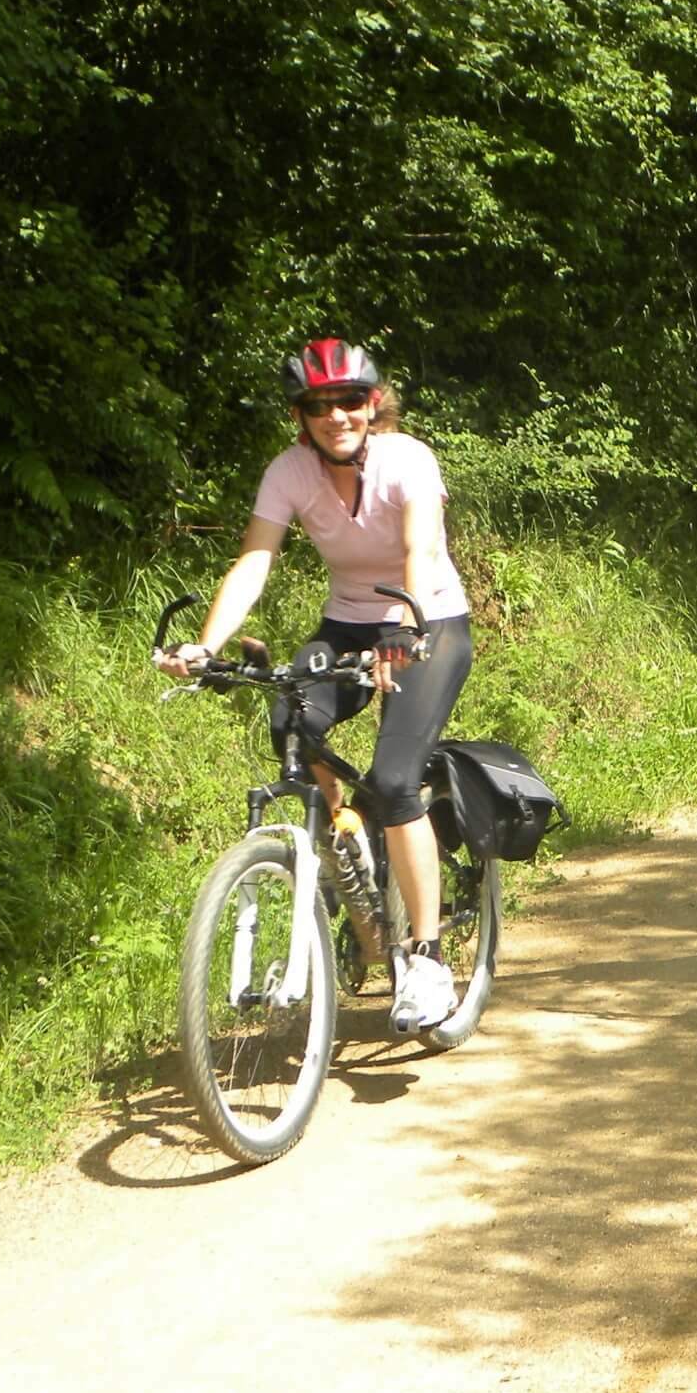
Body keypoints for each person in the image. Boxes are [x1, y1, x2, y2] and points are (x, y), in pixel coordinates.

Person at [153, 338, 474, 1032]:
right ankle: (347, 835)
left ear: (373, 403)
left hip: (429, 620)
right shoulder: (289, 471)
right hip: (347, 623)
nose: (336, 417)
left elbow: (419, 549)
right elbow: (254, 560)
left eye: (350, 401)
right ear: (301, 416)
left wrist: (407, 628)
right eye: (318, 406)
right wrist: (204, 645)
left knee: (394, 780)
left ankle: (426, 957)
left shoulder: (407, 460)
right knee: (289, 719)